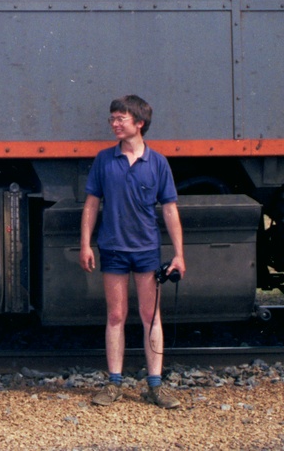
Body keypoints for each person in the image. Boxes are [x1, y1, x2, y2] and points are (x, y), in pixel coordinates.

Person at [79, 94, 185, 409]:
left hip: (146, 250)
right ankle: (114, 383)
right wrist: (85, 243)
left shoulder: (158, 163)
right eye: (112, 118)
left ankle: (155, 385)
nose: (113, 124)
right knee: (115, 315)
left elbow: (170, 210)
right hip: (112, 248)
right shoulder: (103, 160)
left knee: (151, 316)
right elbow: (91, 204)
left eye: (120, 119)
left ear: (139, 123)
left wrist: (179, 253)